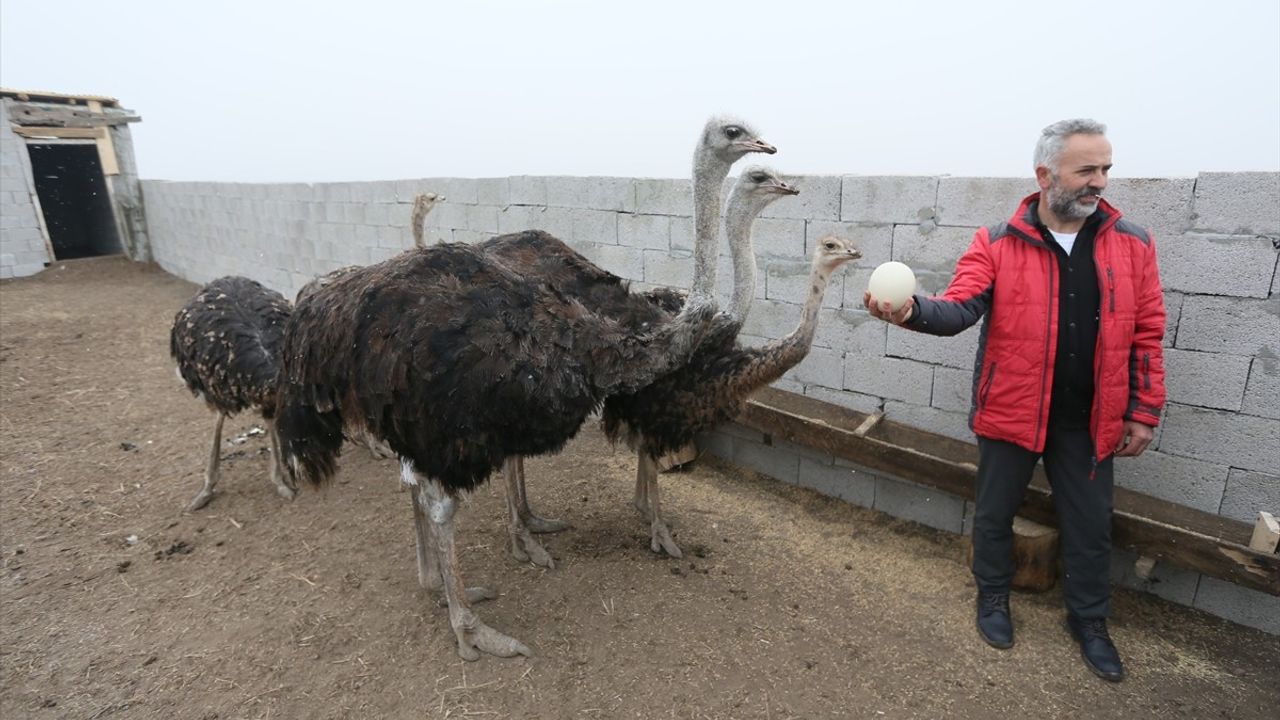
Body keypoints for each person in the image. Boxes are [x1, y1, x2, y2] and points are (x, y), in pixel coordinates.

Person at [865, 118, 1166, 682]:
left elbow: (1147, 333)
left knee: (1091, 526)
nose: (1100, 181)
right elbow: (959, 308)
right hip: (1011, 409)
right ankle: (993, 596)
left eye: (1105, 169)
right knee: (996, 514)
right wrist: (911, 311)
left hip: (1091, 421)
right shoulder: (998, 241)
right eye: (1087, 170)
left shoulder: (1134, 244)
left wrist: (1143, 411)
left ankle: (1089, 621)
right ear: (1046, 174)